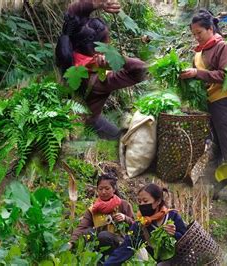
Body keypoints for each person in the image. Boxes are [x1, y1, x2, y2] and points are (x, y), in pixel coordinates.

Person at [56, 0, 147, 139]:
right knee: (120, 140)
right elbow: (141, 70)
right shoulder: (101, 78)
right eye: (106, 44)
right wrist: (116, 58)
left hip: (67, 119)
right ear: (98, 49)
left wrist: (99, 3)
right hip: (86, 125)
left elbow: (71, 13)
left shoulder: (65, 57)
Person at [179, 9, 227, 164]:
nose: (197, 37)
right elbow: (199, 78)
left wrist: (196, 73)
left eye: (199, 33)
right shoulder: (198, 53)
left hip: (223, 101)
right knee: (214, 145)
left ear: (210, 29)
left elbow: (226, 76)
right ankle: (217, 182)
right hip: (208, 104)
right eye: (194, 35)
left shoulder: (222, 47)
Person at [104, 183, 187, 265]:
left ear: (158, 201)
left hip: (185, 260)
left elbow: (187, 241)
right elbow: (125, 249)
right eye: (140, 202)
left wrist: (174, 234)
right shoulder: (140, 225)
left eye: (145, 201)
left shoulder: (172, 216)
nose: (142, 204)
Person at [69, 173, 135, 256]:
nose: (103, 192)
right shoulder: (93, 209)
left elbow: (135, 226)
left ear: (114, 189)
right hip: (99, 243)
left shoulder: (124, 205)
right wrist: (71, 242)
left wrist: (125, 218)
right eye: (100, 189)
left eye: (107, 189)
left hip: (120, 242)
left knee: (103, 236)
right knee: (88, 232)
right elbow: (82, 227)